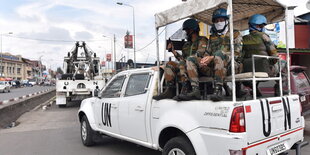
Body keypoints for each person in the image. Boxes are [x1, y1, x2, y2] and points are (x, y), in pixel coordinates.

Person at [153, 18, 208, 101]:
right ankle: (169, 90)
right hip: (186, 67)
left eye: (187, 30)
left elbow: (199, 55)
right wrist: (173, 51)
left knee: (185, 62)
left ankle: (186, 90)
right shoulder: (186, 45)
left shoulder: (202, 40)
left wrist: (185, 61)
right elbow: (182, 59)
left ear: (192, 30)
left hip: (199, 67)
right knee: (170, 64)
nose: (186, 33)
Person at [199, 8, 243, 101]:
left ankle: (218, 89)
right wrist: (204, 60)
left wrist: (215, 56)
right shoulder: (212, 37)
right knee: (197, 61)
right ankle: (192, 90)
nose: (219, 22)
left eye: (221, 20)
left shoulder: (235, 33)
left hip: (233, 66)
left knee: (219, 54)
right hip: (216, 67)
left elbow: (237, 53)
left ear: (227, 21)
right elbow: (207, 53)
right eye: (216, 21)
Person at [242, 14, 279, 96]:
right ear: (259, 26)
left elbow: (240, 55)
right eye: (262, 25)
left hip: (247, 68)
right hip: (265, 69)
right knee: (283, 64)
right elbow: (274, 55)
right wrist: (272, 63)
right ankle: (278, 88)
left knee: (256, 64)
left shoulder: (243, 38)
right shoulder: (264, 36)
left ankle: (254, 88)